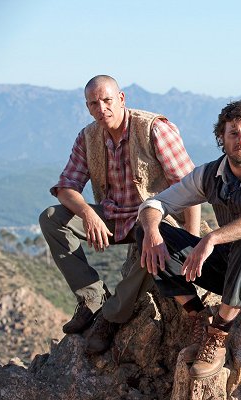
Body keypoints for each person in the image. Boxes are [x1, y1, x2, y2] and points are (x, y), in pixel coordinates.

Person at [136, 97, 241, 380]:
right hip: (230, 264)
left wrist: (210, 239)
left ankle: (218, 335)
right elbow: (154, 205)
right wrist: (151, 231)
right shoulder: (209, 174)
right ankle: (198, 317)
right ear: (221, 138)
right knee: (147, 231)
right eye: (233, 133)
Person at [39, 75, 200, 354]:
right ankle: (92, 299)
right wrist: (88, 214)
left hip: (156, 218)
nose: (101, 109)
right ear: (88, 108)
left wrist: (192, 239)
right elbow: (66, 188)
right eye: (93, 104)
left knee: (152, 247)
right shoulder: (88, 137)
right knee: (52, 217)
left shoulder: (153, 129)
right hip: (113, 216)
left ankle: (110, 317)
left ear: (121, 99)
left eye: (107, 100)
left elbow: (192, 187)